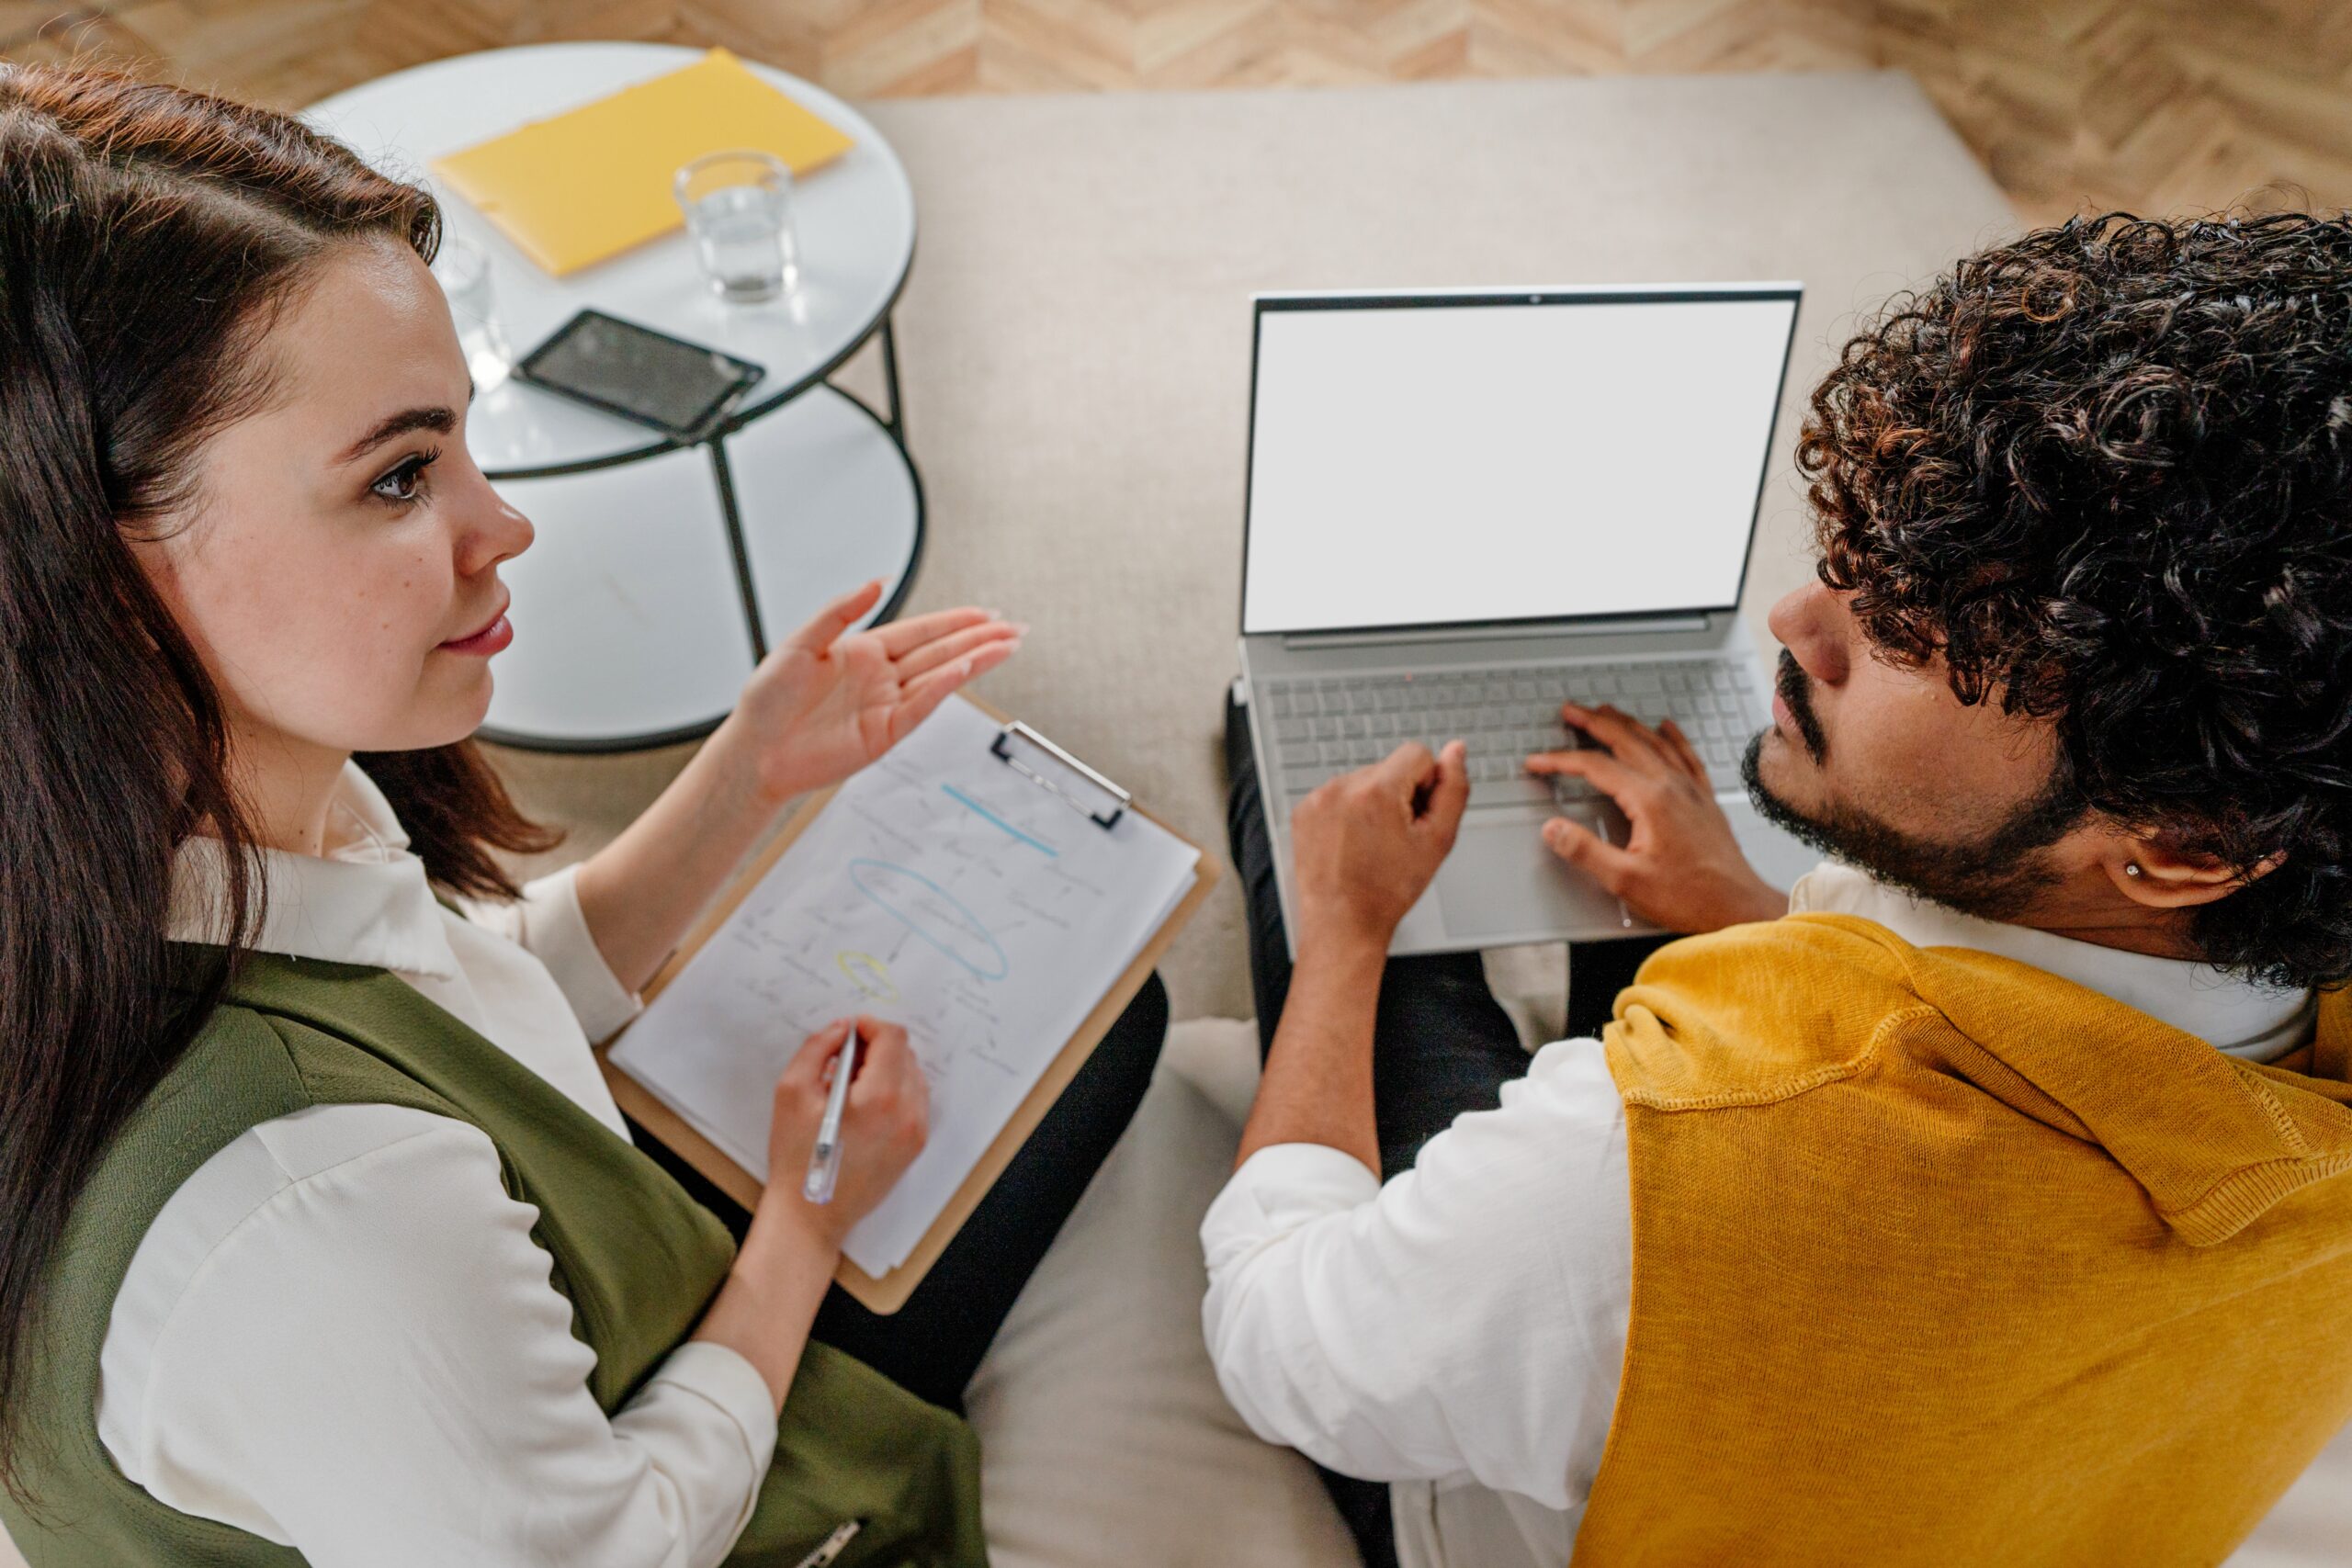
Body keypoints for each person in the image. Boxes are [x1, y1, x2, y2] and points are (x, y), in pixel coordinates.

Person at [0, 64, 1167, 1567]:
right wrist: (806, 1229)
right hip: (675, 1467)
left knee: (1085, 1006)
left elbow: (451, 991)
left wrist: (746, 778)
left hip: (531, 1288)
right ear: (100, 568)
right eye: (401, 475)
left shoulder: (190, 810)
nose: (505, 524)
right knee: (1106, 1029)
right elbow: (611, 1543)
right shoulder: (313, 1219)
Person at [1201, 211, 2352, 1568]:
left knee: (1333, 861)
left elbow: (1283, 1345)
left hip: (1531, 1483)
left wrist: (1346, 933)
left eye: (1921, 637)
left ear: (2179, 848)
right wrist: (1750, 910)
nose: (1801, 620)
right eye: (1869, 562)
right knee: (1576, 865)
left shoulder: (1635, 1173)